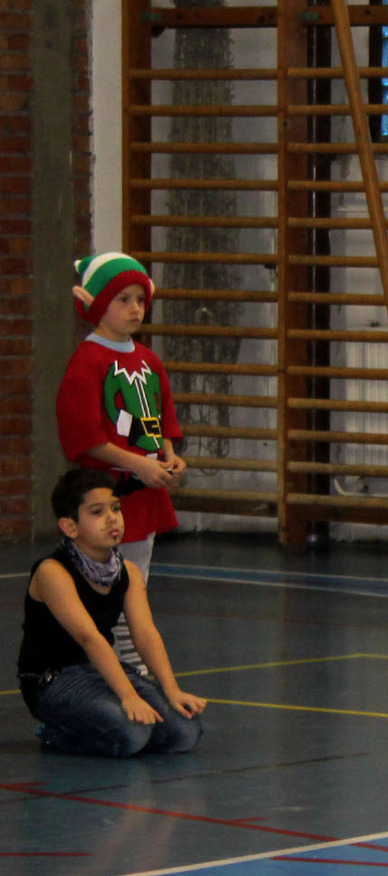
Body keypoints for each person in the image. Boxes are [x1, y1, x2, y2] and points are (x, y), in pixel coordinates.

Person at [57, 252, 187, 673]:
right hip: (105, 500)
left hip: (143, 497)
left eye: (140, 300)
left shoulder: (148, 360)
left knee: (135, 585)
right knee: (105, 591)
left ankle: (134, 673)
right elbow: (86, 437)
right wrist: (136, 465)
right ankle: (114, 675)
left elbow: (161, 420)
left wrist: (168, 456)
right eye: (123, 299)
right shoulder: (87, 361)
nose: (135, 308)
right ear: (96, 303)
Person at [17, 469, 205, 757]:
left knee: (184, 732)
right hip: (54, 680)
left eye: (115, 508)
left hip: (98, 671)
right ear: (70, 526)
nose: (112, 519)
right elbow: (89, 638)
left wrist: (172, 690)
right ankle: (58, 733)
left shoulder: (127, 571)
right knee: (131, 734)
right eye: (97, 512)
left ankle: (100, 720)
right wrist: (128, 696)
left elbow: (145, 633)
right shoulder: (53, 572)